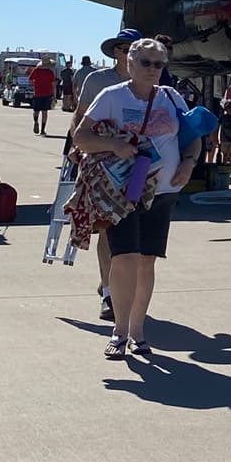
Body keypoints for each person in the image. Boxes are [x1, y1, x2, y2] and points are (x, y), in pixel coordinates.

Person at [74, 38, 201, 359]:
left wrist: (188, 163)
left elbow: (192, 138)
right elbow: (82, 136)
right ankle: (118, 331)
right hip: (124, 192)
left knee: (146, 262)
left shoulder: (172, 98)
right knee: (124, 258)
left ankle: (138, 331)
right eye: (145, 62)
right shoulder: (111, 97)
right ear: (129, 64)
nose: (152, 70)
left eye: (158, 64)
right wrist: (115, 146)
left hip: (163, 191)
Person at [71, 27, 140, 322]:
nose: (132, 56)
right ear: (116, 52)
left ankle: (115, 284)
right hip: (102, 161)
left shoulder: (151, 82)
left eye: (137, 50)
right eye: (126, 50)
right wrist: (75, 144)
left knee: (133, 228)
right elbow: (80, 114)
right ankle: (110, 295)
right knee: (107, 227)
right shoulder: (98, 80)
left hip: (139, 166)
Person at [28, 57, 56, 136]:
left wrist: (35, 84)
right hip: (47, 94)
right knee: (45, 112)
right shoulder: (50, 72)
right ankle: (43, 130)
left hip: (37, 93)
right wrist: (54, 96)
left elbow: (30, 80)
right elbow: (53, 85)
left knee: (36, 111)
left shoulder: (36, 70)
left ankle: (36, 121)